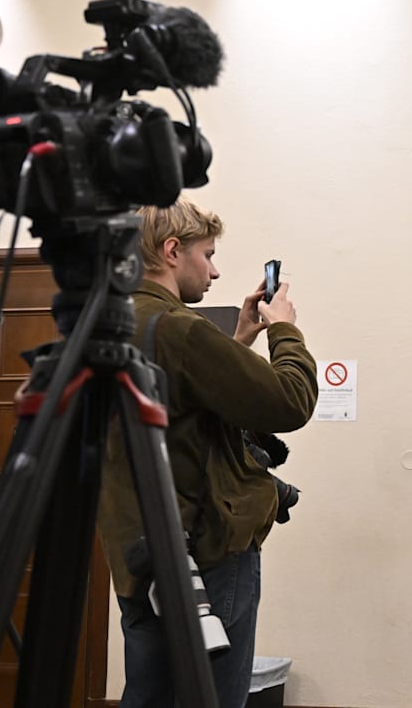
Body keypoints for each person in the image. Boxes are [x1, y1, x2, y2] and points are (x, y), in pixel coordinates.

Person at [97, 196, 318, 708]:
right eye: (209, 255)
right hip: (208, 556)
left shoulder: (112, 324)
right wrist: (284, 328)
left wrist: (237, 342)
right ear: (172, 251)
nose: (215, 271)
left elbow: (177, 409)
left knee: (152, 695)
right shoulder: (181, 328)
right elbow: (291, 400)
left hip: (140, 556)